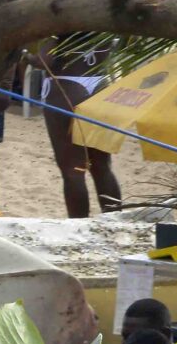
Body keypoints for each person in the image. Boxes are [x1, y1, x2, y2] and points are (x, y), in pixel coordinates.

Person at [36, 40, 124, 217]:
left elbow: (45, 60)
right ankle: (116, 223)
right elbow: (125, 41)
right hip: (101, 86)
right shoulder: (103, 14)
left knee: (73, 170)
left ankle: (79, 228)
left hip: (67, 85)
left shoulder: (60, 15)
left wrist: (25, 55)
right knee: (102, 167)